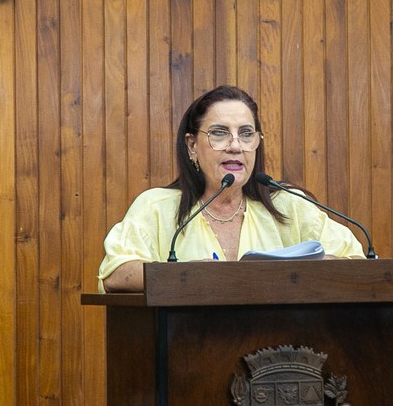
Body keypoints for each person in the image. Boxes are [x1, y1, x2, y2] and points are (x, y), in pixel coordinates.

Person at [98, 85, 364, 292]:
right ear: (192, 146)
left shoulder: (290, 205)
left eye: (246, 134)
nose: (235, 146)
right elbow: (116, 273)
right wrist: (189, 276)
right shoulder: (157, 207)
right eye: (219, 133)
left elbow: (357, 263)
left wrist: (304, 273)